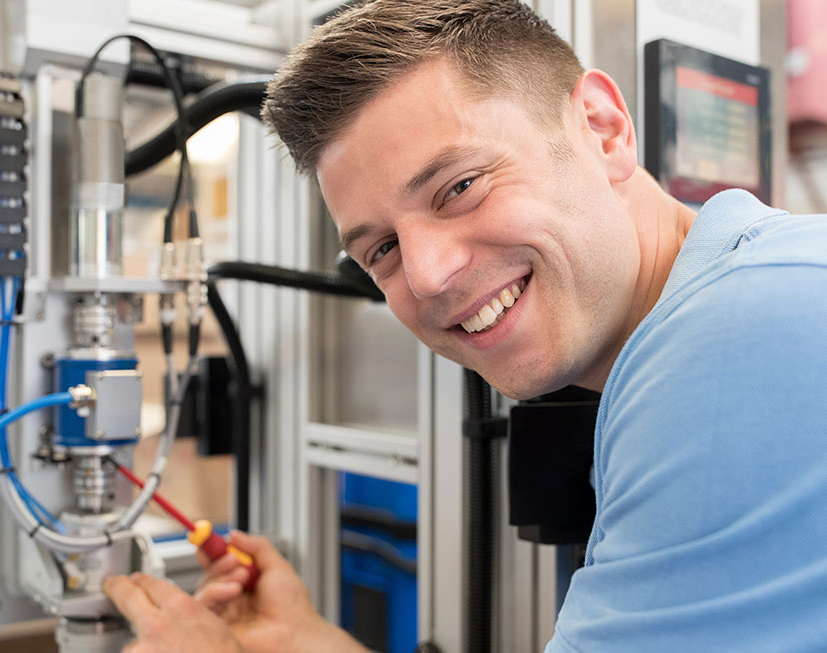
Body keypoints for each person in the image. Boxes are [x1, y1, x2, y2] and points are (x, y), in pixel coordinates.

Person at [104, 0, 827, 650]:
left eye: (459, 187)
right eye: (380, 249)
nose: (426, 275)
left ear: (603, 129)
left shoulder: (732, 345)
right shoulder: (750, 284)